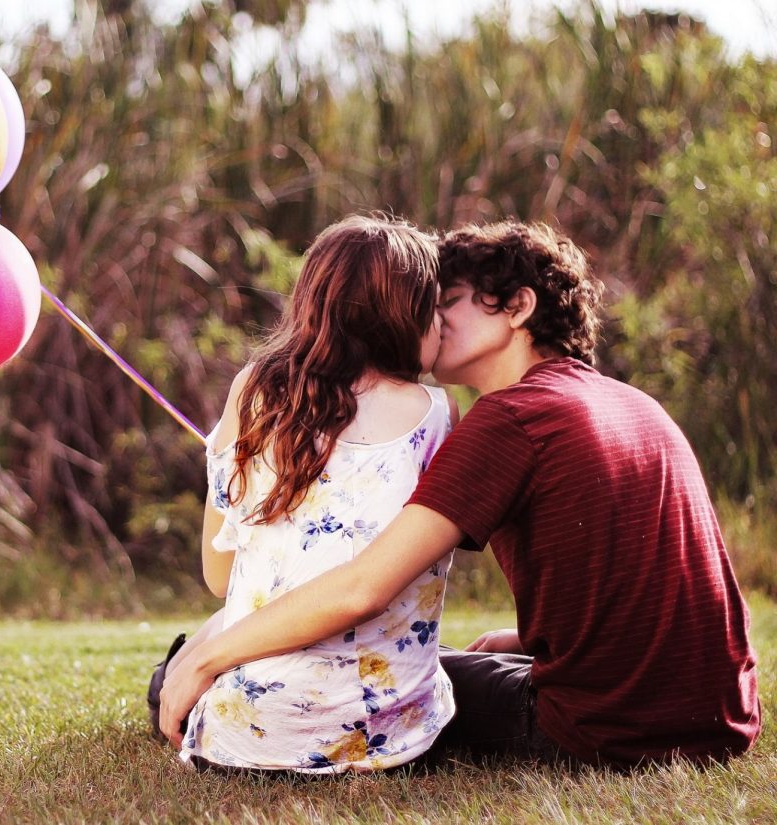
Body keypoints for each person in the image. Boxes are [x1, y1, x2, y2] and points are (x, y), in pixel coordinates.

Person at [158, 220, 761, 768]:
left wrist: (210, 657)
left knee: (382, 675)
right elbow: (656, 586)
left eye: (446, 303)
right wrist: (527, 643)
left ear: (518, 307)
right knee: (450, 659)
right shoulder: (629, 403)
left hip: (603, 734)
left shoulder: (510, 419)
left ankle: (182, 672)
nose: (433, 321)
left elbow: (364, 588)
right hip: (722, 718)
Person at [150, 213, 461, 773]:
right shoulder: (437, 412)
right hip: (392, 735)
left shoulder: (253, 389)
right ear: (402, 315)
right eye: (433, 308)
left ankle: (175, 681)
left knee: (190, 656)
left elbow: (220, 579)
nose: (442, 325)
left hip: (251, 735)